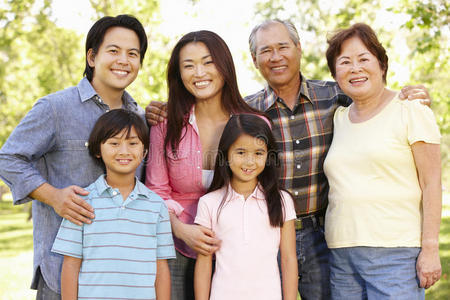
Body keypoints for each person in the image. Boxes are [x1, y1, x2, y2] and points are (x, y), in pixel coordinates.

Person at [145, 19, 431, 300]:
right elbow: (160, 188)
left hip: (319, 233)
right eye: (265, 50)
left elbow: (368, 93)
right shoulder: (248, 111)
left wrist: (406, 95)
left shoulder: (333, 96)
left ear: (299, 47)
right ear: (254, 60)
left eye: (283, 47)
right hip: (246, 237)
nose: (276, 57)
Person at [0, 15, 147, 299]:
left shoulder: (140, 118)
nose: (123, 60)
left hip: (123, 275)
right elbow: (8, 158)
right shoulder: (55, 108)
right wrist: (54, 196)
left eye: (133, 53)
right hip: (63, 276)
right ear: (92, 57)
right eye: (113, 51)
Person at [323, 23, 441, 299]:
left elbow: (432, 182)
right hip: (341, 254)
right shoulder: (338, 118)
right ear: (335, 74)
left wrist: (431, 248)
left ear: (382, 65)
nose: (355, 68)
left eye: (364, 59)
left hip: (396, 253)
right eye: (345, 62)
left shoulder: (410, 110)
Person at [145, 30, 259, 300]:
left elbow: (264, 193)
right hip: (175, 249)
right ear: (178, 74)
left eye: (208, 62)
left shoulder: (253, 124)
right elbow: (156, 191)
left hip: (237, 249)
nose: (199, 73)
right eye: (189, 65)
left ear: (224, 66)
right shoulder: (164, 125)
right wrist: (181, 230)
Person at [51, 109, 175, 300]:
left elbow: (161, 269)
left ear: (145, 151)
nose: (124, 151)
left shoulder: (157, 206)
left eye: (133, 143)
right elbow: (70, 265)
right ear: (97, 150)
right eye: (114, 143)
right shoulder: (81, 202)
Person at [193, 114, 297, 300]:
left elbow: (288, 259)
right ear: (225, 154)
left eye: (258, 153)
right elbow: (204, 263)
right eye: (241, 152)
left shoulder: (282, 201)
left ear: (268, 155)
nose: (250, 162)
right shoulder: (209, 203)